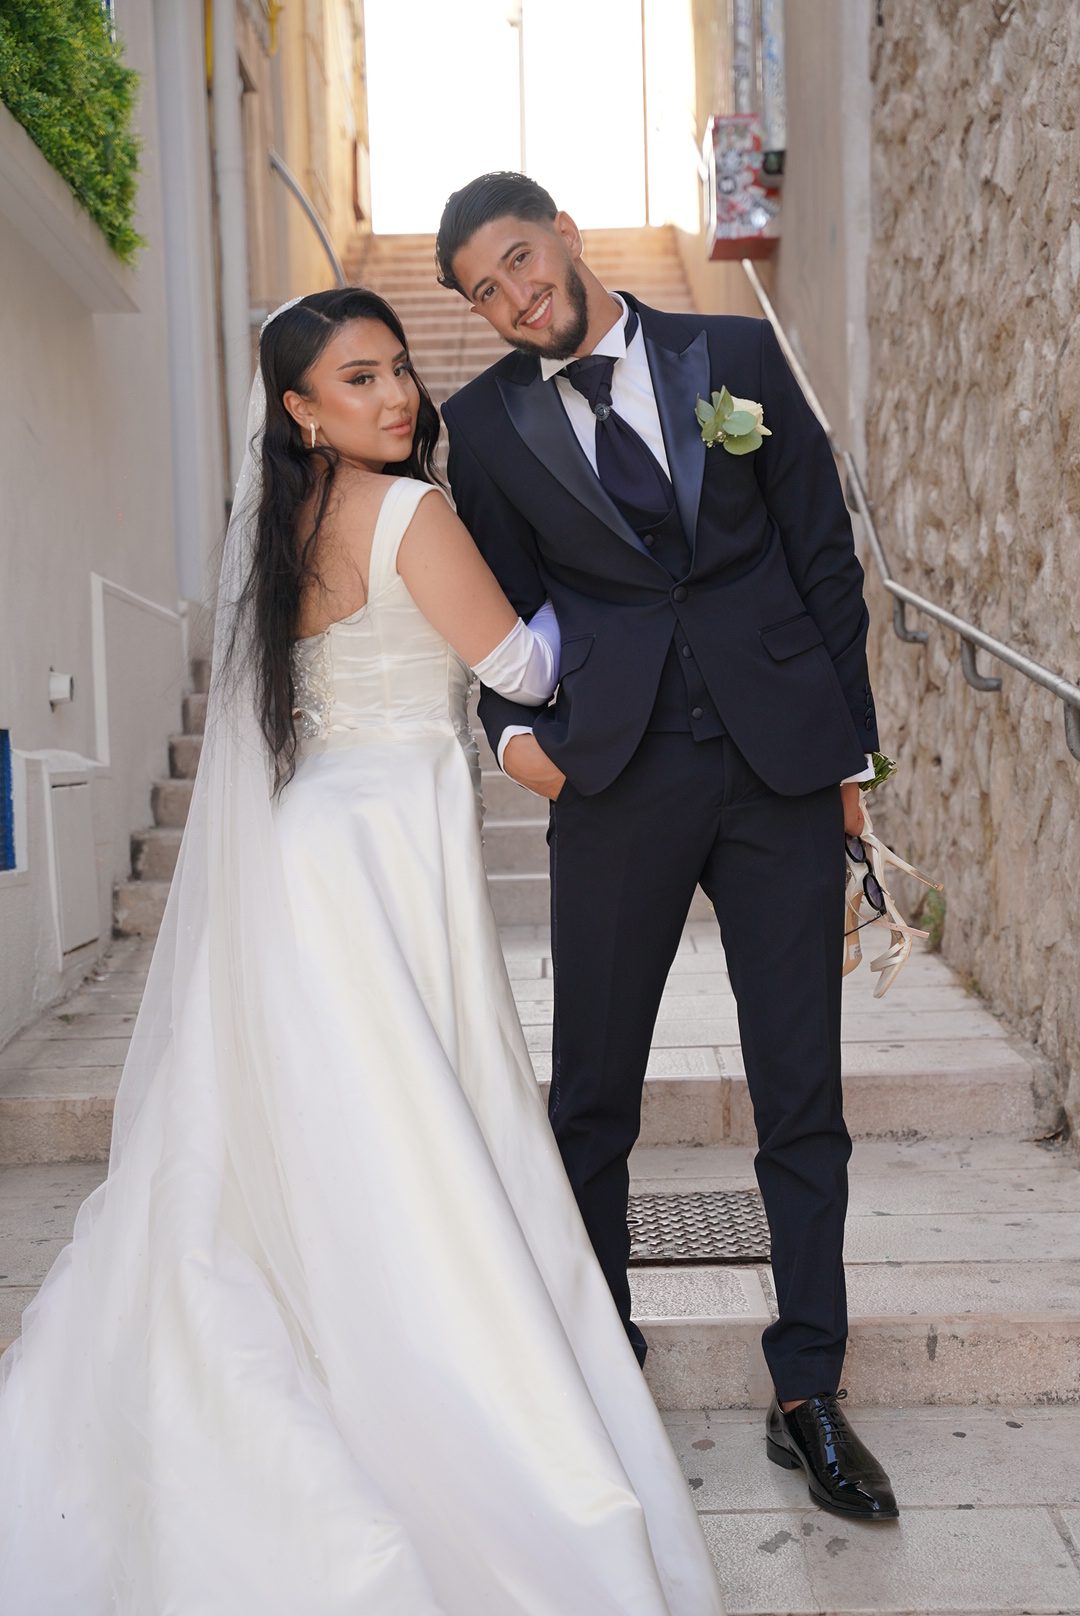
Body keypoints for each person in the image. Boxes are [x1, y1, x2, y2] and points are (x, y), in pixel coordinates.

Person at [0, 289, 725, 1613]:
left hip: (310, 841)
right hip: (386, 845)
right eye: (357, 379)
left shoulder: (279, 528)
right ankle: (440, 1393)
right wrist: (610, 592)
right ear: (299, 408)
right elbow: (515, 665)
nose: (394, 396)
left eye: (396, 369)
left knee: (321, 1130)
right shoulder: (408, 512)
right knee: (411, 1132)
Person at [438, 172, 898, 1522]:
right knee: (592, 1092)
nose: (516, 297)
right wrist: (512, 741)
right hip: (619, 776)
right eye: (484, 291)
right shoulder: (486, 425)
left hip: (779, 767)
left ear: (567, 236)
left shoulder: (734, 353)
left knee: (801, 1090)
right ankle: (599, 1359)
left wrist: (851, 762)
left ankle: (808, 1390)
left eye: (522, 261)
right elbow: (494, 613)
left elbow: (824, 556)